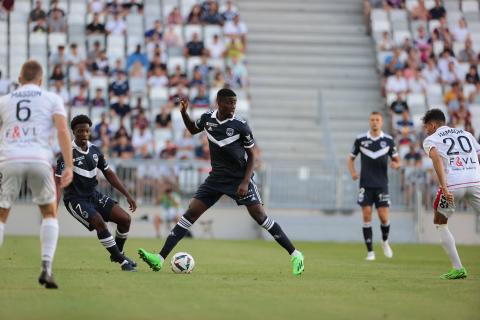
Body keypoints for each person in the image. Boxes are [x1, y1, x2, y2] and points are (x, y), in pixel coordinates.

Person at [138, 88, 305, 275]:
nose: (233, 106)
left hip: (239, 178)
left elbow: (252, 156)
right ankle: (159, 259)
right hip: (216, 178)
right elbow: (193, 129)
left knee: (260, 217)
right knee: (190, 214)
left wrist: (244, 182)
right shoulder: (208, 118)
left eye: (234, 103)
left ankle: (295, 254)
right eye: (229, 102)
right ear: (219, 102)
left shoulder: (241, 125)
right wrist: (184, 113)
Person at [0, 60, 74, 289]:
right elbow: (62, 130)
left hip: (10, 158)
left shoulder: (4, 100)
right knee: (49, 213)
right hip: (40, 160)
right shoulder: (51, 98)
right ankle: (46, 267)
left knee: (1, 215)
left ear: (19, 79)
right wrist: (69, 165)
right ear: (41, 80)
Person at [55, 115, 138, 272]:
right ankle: (122, 261)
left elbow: (109, 173)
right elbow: (58, 183)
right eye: (80, 131)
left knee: (125, 219)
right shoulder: (66, 154)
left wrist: (127, 194)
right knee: (99, 223)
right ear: (74, 132)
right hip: (75, 199)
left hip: (93, 195)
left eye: (87, 131)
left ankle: (117, 254)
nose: (84, 134)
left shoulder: (95, 150)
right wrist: (54, 207)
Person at [422, 108, 480, 279]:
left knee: (440, 222)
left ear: (432, 125)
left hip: (453, 185)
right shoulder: (466, 134)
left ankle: (458, 268)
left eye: (426, 127)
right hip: (476, 181)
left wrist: (444, 187)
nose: (426, 131)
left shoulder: (431, 139)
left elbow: (437, 160)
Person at [347, 112, 401, 261]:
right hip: (365, 184)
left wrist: (395, 165)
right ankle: (370, 252)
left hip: (382, 184)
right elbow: (350, 158)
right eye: (372, 120)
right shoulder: (361, 139)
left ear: (381, 122)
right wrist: (352, 172)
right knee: (366, 216)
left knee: (384, 217)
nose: (375, 122)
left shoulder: (389, 140)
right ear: (369, 121)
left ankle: (384, 241)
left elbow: (397, 161)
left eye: (377, 120)